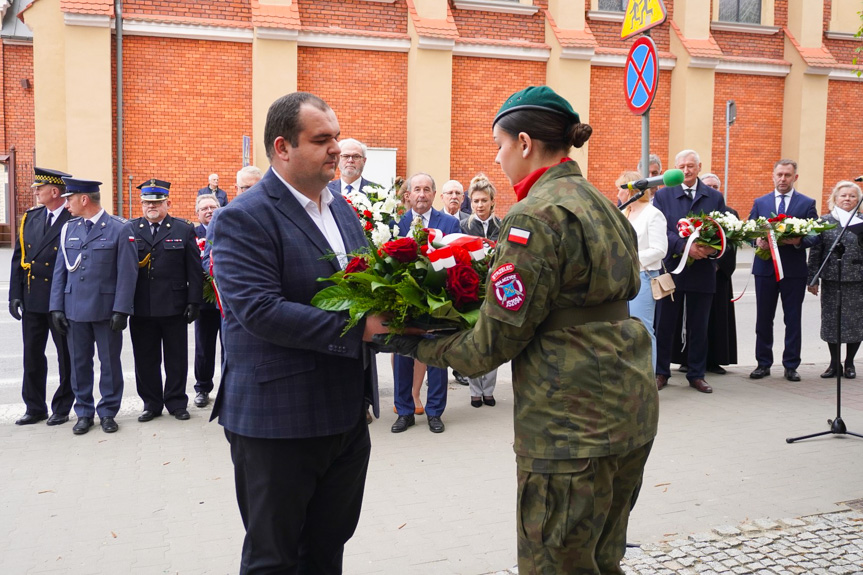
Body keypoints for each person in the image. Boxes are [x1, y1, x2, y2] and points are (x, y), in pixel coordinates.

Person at [375, 85, 658, 573]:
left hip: (570, 422)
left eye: (499, 145)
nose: (498, 157)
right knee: (603, 557)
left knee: (555, 563)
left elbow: (492, 343)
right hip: (629, 408)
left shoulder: (535, 215)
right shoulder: (600, 201)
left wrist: (408, 341)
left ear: (525, 143)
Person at [209, 91, 387, 574]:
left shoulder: (344, 211)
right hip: (278, 422)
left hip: (346, 415)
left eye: (336, 137)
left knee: (328, 549)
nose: (336, 149)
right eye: (322, 139)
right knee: (275, 558)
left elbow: (368, 295)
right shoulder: (243, 217)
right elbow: (259, 310)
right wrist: (361, 331)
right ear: (283, 147)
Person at [49, 177, 137, 435]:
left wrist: (122, 309)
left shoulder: (120, 228)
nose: (66, 205)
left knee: (109, 363)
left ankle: (108, 412)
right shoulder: (69, 228)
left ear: (84, 199)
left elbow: (128, 274)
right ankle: (84, 412)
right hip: (74, 308)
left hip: (106, 309)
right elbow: (60, 271)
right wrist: (56, 307)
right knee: (79, 364)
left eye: (69, 199)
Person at [653, 149, 728, 394]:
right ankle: (661, 372)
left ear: (699, 167)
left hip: (703, 270)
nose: (686, 170)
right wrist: (685, 246)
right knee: (665, 324)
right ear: (676, 168)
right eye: (682, 166)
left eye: (691, 166)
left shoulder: (714, 196)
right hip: (672, 270)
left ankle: (696, 374)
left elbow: (723, 229)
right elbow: (661, 229)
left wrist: (709, 250)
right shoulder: (664, 195)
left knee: (699, 325)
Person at [391, 172, 460, 434]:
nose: (422, 194)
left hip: (437, 300)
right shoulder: (397, 222)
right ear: (408, 195)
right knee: (403, 355)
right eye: (416, 189)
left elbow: (457, 258)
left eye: (427, 189)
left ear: (433, 194)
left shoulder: (450, 223)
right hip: (404, 299)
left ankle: (434, 412)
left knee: (437, 357)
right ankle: (404, 411)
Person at [130, 179, 202, 423]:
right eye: (147, 202)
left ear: (167, 203)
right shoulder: (130, 229)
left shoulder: (182, 229)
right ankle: (151, 404)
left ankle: (176, 402)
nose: (152, 206)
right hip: (141, 307)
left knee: (176, 357)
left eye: (157, 202)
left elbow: (194, 268)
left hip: (174, 305)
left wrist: (194, 301)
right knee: (145, 358)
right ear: (141, 204)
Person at [9, 167, 75, 426]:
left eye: (40, 187)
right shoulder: (32, 218)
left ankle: (62, 406)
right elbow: (18, 258)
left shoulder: (71, 219)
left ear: (55, 191)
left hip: (60, 300)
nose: (35, 191)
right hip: (33, 297)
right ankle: (34, 406)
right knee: (32, 355)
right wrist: (15, 295)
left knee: (66, 357)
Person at [748, 159, 818, 382]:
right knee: (763, 318)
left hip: (793, 271)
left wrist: (799, 241)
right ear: (773, 175)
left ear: (795, 177)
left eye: (787, 175)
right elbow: (748, 230)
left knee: (793, 318)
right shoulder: (761, 202)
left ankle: (791, 365)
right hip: (765, 269)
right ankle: (763, 363)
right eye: (779, 174)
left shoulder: (806, 203)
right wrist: (757, 240)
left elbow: (815, 234)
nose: (783, 179)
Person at [807, 181, 863, 379]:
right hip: (832, 279)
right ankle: (834, 363)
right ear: (835, 199)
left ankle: (849, 363)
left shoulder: (861, 221)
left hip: (857, 280)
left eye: (852, 196)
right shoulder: (825, 221)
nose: (847, 199)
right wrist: (812, 278)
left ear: (858, 200)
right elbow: (816, 252)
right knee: (832, 322)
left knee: (855, 323)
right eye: (843, 195)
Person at [616, 169, 668, 371]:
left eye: (620, 189)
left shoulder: (653, 213)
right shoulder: (623, 213)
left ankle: (648, 379)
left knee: (643, 330)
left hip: (643, 277)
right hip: (622, 279)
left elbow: (659, 250)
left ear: (630, 189)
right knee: (623, 330)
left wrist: (630, 261)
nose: (618, 194)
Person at [459, 173, 502, 406]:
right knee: (474, 338)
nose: (479, 205)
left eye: (484, 200)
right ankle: (475, 389)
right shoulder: (463, 225)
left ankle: (489, 390)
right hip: (471, 288)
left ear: (492, 201)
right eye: (475, 201)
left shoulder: (502, 225)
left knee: (492, 339)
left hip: (496, 288)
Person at [193, 194, 221, 408]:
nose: (209, 211)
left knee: (230, 346)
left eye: (213, 206)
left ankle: (228, 387)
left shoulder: (226, 228)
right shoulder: (191, 233)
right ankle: (202, 387)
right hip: (204, 299)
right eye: (204, 208)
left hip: (227, 298)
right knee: (204, 346)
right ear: (197, 213)